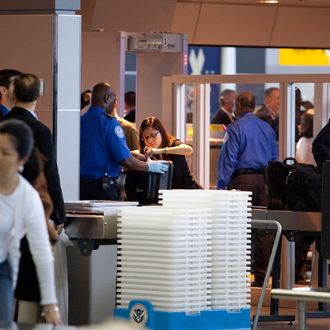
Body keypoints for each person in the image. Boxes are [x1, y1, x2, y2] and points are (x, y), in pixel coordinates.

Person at [3, 73, 67, 322]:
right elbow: (50, 173)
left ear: (13, 94)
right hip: (34, 211)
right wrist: (59, 212)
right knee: (30, 279)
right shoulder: (40, 130)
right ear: (39, 96)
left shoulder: (3, 124)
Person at [217, 92, 278, 286]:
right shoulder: (267, 128)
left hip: (242, 182)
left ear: (240, 106)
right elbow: (274, 159)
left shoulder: (234, 129)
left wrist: (221, 188)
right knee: (263, 231)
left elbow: (228, 160)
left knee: (237, 229)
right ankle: (261, 277)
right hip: (264, 182)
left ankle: (237, 277)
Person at [80, 83, 168, 201]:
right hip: (102, 190)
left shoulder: (80, 121)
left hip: (79, 188)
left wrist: (131, 154)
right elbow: (126, 161)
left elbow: (97, 151)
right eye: (114, 100)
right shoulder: (109, 124)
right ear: (107, 98)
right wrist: (150, 166)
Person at [138, 116, 201, 189]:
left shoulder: (173, 144)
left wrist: (160, 150)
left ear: (161, 132)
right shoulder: (146, 153)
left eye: (154, 135)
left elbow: (189, 149)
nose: (150, 140)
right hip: (168, 195)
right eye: (147, 137)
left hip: (189, 191)